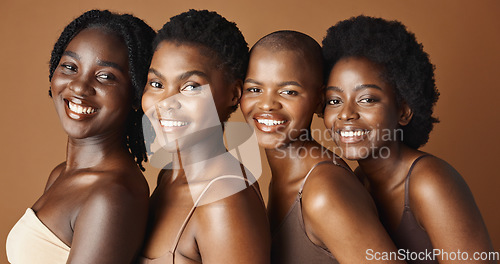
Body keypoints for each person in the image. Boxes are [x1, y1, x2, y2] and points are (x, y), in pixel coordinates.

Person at [322, 15, 494, 263]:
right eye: (334, 101)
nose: (346, 113)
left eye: (367, 99)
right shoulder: (355, 182)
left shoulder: (430, 182)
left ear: (403, 111)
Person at [240, 30, 404, 264]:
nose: (267, 104)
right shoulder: (281, 178)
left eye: (289, 91)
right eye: (254, 89)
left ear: (319, 100)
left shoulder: (324, 191)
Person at [6, 10, 155, 264]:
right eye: (70, 67)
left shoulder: (112, 196)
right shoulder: (61, 173)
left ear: (135, 94)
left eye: (106, 76)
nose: (78, 86)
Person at [137, 9, 270, 264]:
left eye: (190, 87)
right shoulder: (168, 178)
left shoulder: (225, 200)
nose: (166, 102)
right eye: (156, 84)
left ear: (234, 94)